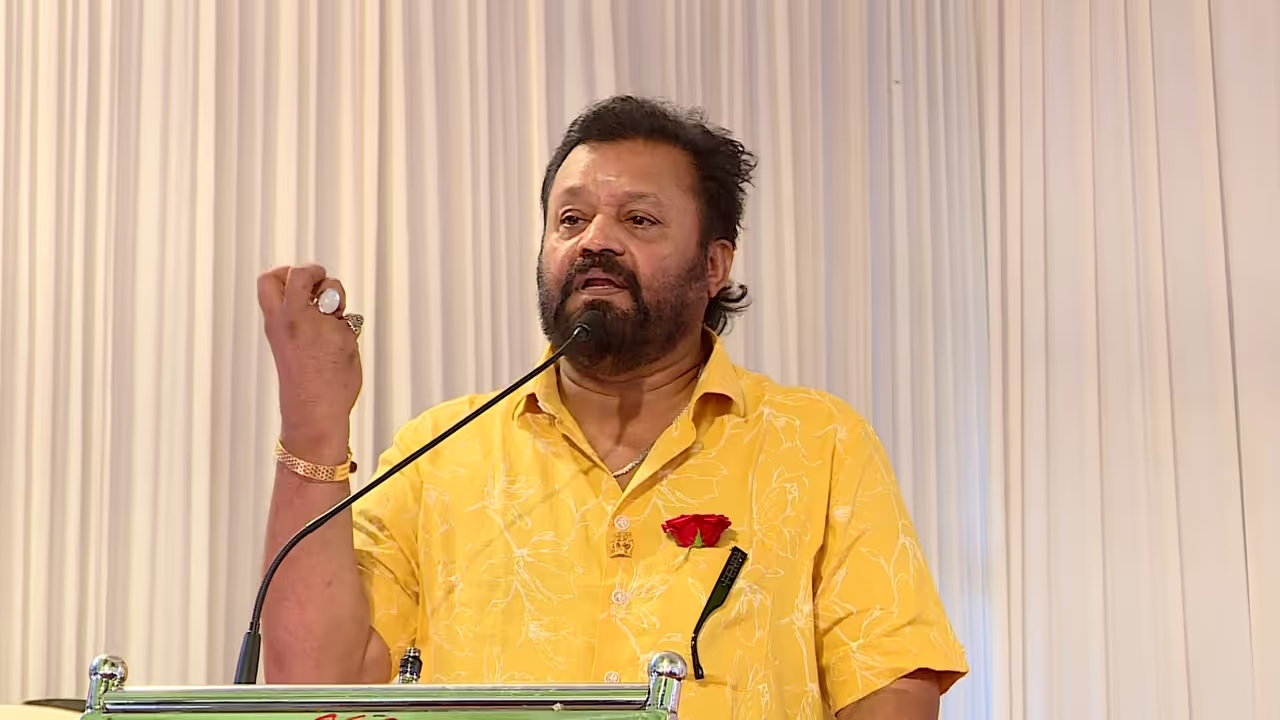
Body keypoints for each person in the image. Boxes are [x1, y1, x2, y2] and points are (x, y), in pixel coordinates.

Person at [255, 95, 967, 719]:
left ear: (715, 265)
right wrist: (314, 420)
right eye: (570, 219)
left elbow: (890, 686)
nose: (595, 239)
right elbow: (314, 687)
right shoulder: (441, 454)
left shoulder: (816, 443)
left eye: (639, 219)